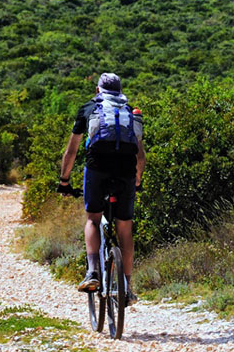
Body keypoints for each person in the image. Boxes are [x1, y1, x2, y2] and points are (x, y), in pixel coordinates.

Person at [57, 72, 145, 305]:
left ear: (98, 91)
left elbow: (72, 151)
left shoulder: (89, 108)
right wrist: (136, 181)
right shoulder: (129, 112)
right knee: (125, 229)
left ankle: (93, 272)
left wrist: (64, 181)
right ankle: (126, 286)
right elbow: (140, 155)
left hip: (97, 170)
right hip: (125, 172)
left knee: (93, 220)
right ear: (119, 91)